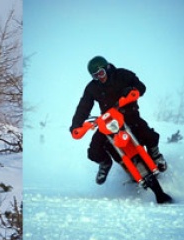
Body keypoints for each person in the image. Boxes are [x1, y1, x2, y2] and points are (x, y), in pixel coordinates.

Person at [70, 55, 167, 185]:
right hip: (109, 122)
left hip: (130, 116)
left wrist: (132, 89)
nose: (100, 77)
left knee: (149, 135)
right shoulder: (92, 88)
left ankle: (156, 156)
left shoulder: (123, 75)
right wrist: (76, 125)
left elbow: (141, 87)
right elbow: (83, 107)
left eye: (101, 73)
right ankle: (105, 163)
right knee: (94, 150)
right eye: (95, 76)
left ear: (107, 68)